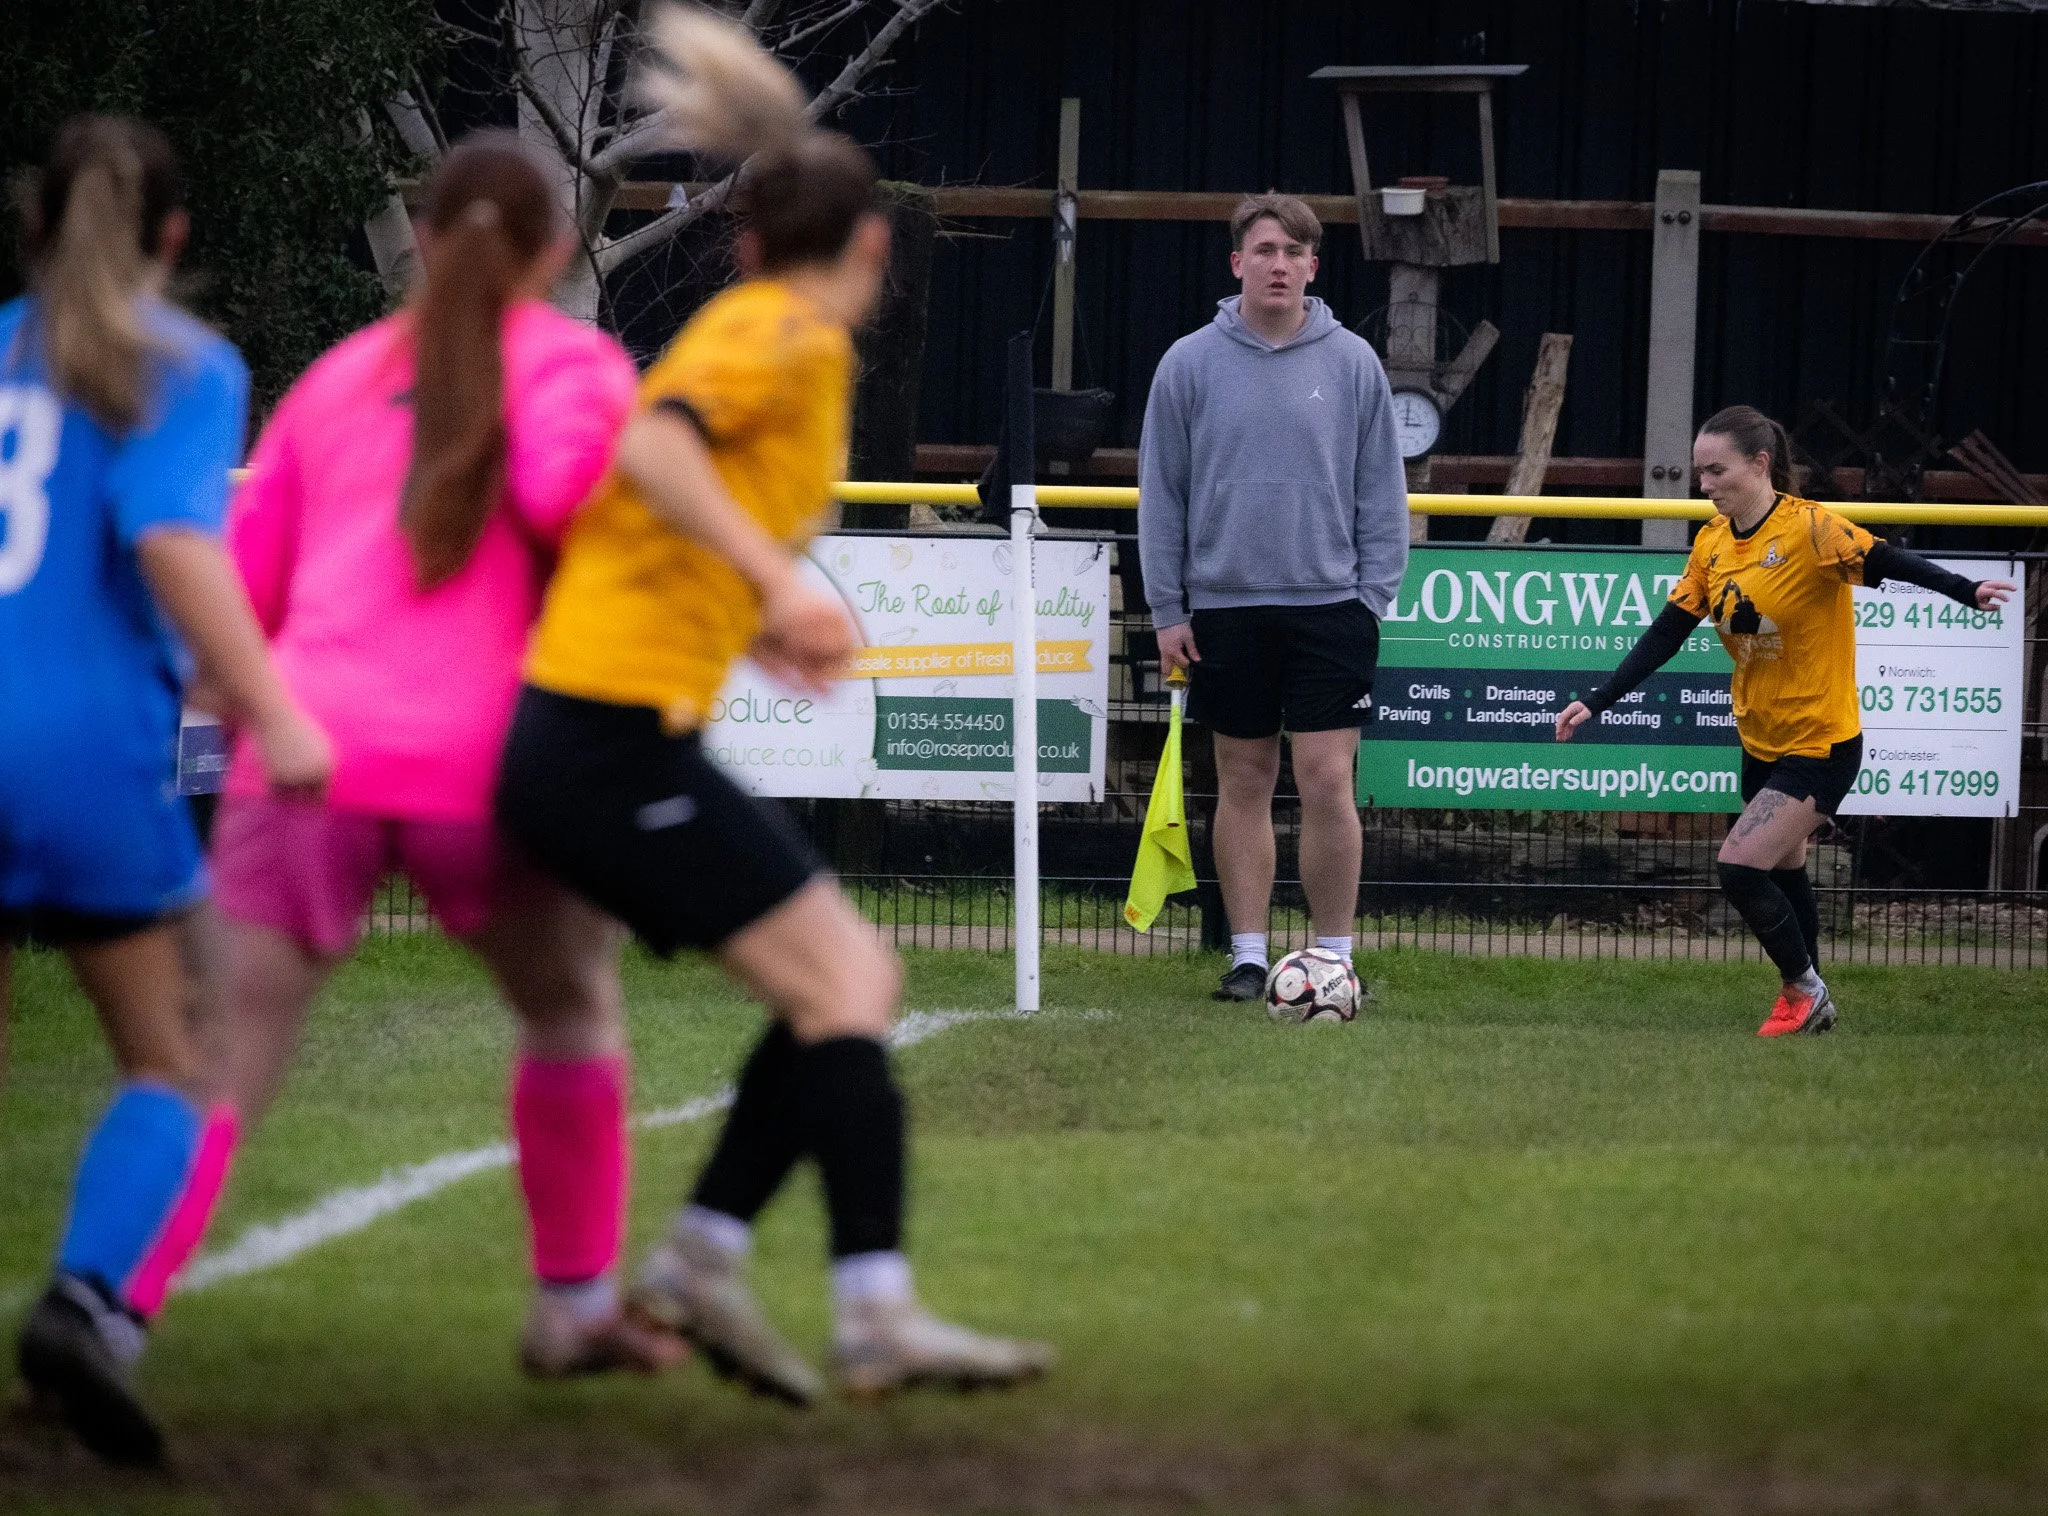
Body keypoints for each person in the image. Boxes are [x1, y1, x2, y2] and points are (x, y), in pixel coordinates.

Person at [497, 6, 1051, 1404]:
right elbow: (653, 447)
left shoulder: (765, 328)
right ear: (873, 248)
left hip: (605, 733)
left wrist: (747, 623)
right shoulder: (793, 337)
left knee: (843, 990)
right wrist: (772, 582)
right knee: (851, 983)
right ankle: (854, 1304)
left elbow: (657, 516)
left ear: (742, 245)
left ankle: (711, 1257)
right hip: (598, 743)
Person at [206, 134, 680, 1379]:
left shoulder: (338, 377)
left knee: (220, 1058)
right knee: (571, 1005)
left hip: (306, 748)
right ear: (559, 249)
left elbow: (239, 599)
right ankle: (571, 1306)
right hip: (493, 764)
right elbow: (592, 528)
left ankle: (102, 1298)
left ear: (418, 238)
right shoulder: (577, 367)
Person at [1, 116, 332, 1465]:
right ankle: (84, 1305)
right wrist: (276, 708)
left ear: (34, 223)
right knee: (184, 1048)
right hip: (76, 753)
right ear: (176, 238)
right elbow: (174, 540)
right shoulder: (177, 365)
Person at [1555, 405, 2014, 1035]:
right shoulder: (1712, 543)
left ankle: (1804, 989)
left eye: (1716, 470)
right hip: (1761, 737)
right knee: (1783, 866)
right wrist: (1601, 697)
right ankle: (1812, 1003)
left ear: (1760, 463)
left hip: (1820, 742)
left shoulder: (1811, 530)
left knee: (1739, 867)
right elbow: (1669, 631)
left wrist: (1966, 589)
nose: (1704, 484)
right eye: (1699, 472)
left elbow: (1889, 560)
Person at [1138, 193, 1410, 1001]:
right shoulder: (1187, 363)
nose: (1279, 264)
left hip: (1332, 607)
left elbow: (1382, 491)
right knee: (1244, 777)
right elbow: (1163, 495)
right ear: (1237, 263)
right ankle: (1249, 957)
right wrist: (1167, 609)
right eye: (1264, 250)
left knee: (1327, 778)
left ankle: (1332, 957)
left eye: (1295, 252)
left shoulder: (1354, 361)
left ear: (1313, 267)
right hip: (1222, 608)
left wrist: (1372, 598)